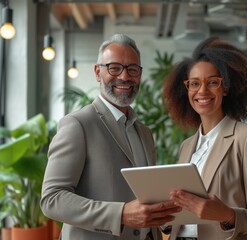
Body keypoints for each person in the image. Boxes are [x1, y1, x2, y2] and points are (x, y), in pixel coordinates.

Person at [40, 34, 181, 240]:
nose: (124, 76)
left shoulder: (144, 133)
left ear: (139, 75)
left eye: (132, 69)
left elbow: (145, 197)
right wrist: (121, 214)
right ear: (98, 72)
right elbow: (52, 200)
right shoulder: (78, 125)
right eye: (114, 68)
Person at [162, 37, 247, 240]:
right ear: (186, 90)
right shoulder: (186, 146)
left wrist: (227, 215)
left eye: (212, 82)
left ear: (226, 87)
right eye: (194, 83)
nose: (202, 91)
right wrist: (165, 217)